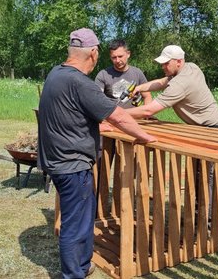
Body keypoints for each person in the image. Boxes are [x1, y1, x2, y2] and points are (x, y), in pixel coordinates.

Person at [37, 28, 156, 279]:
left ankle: (82, 265)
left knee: (81, 217)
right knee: (75, 223)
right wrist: (144, 136)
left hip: (58, 161)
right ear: (93, 53)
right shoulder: (80, 82)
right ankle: (73, 274)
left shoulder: (55, 74)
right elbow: (118, 115)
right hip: (72, 164)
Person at [126, 45, 218, 226]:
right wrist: (140, 87)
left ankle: (208, 221)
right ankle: (198, 216)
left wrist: (116, 113)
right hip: (199, 128)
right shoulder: (191, 67)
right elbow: (162, 82)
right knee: (197, 173)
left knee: (207, 176)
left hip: (214, 130)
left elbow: (149, 109)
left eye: (166, 63)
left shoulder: (181, 84)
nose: (163, 66)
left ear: (178, 62)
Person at [95, 39, 152, 108]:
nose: (117, 60)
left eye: (120, 56)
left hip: (135, 116)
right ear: (110, 57)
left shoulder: (137, 73)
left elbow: (147, 96)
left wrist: (146, 114)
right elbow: (96, 100)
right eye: (114, 57)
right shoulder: (103, 75)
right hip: (112, 116)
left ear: (128, 54)